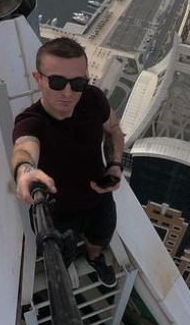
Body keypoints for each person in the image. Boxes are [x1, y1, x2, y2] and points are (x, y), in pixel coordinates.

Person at [10, 37, 125, 288]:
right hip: (57, 211)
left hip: (98, 198)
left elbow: (114, 130)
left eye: (78, 83)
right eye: (57, 81)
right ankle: (69, 263)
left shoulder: (93, 99)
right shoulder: (32, 121)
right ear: (38, 78)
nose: (67, 92)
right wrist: (25, 171)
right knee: (60, 255)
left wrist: (115, 166)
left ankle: (95, 259)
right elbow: (25, 147)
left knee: (100, 239)